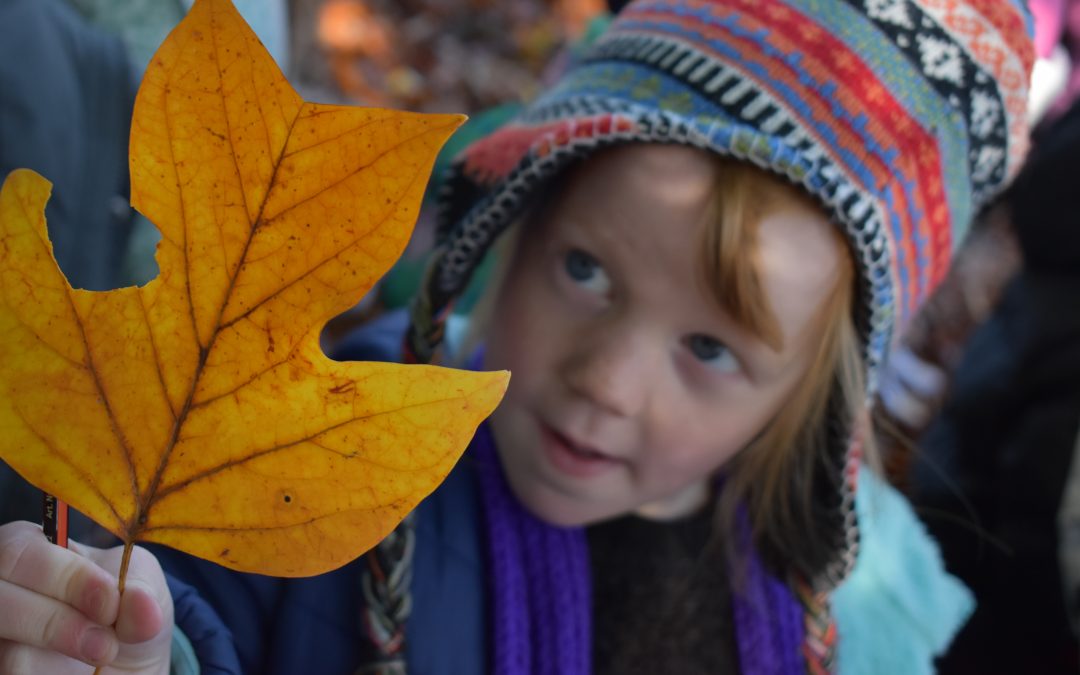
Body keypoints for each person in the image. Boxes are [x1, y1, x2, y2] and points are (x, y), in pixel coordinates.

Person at [0, 0, 1034, 673]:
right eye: (585, 272)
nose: (608, 383)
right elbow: (189, 617)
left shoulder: (866, 624)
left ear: (811, 401)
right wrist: (135, 649)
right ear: (510, 228)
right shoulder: (316, 461)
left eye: (710, 349)